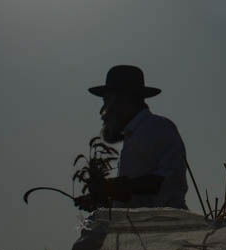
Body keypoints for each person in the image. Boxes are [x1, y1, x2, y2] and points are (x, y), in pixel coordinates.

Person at [76, 65, 188, 210]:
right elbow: (137, 200)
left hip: (164, 223)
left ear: (124, 99)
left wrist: (116, 187)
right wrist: (104, 202)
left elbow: (168, 181)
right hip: (142, 224)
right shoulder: (134, 136)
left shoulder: (158, 127)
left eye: (107, 101)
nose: (103, 111)